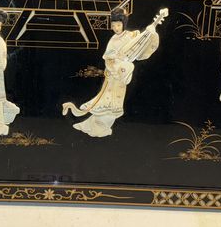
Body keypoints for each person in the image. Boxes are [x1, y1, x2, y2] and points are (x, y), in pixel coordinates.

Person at [62, 8, 164, 137]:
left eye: (118, 25)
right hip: (113, 75)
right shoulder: (113, 40)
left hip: (122, 76)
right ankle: (95, 126)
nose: (116, 28)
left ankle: (100, 126)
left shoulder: (131, 35)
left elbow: (141, 46)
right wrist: (115, 68)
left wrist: (151, 33)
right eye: (113, 25)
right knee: (106, 101)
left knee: (114, 103)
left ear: (123, 24)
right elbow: (108, 60)